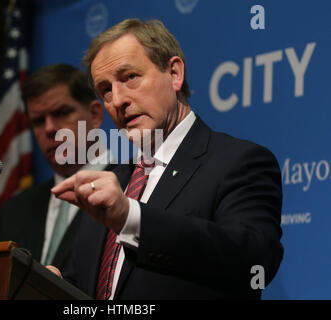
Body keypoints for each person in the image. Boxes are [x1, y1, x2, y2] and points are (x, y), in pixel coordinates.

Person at [50, 19, 284, 299]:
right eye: (106, 90)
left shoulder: (239, 163)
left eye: (129, 77)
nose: (118, 99)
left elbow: (254, 264)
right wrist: (53, 289)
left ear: (174, 74)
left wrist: (131, 218)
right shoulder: (112, 182)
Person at [0, 64, 111, 272]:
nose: (49, 129)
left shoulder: (134, 188)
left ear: (95, 115)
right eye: (38, 121)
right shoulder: (13, 212)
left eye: (61, 113)